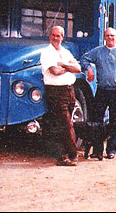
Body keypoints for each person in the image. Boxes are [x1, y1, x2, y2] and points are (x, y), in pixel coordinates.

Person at [80, 27, 116, 160]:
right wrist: (89, 69)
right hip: (102, 90)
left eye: (112, 36)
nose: (110, 38)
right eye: (108, 36)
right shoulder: (98, 52)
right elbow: (83, 59)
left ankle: (111, 150)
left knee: (114, 122)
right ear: (104, 37)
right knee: (97, 122)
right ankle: (97, 151)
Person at [40, 26, 81, 166]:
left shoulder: (65, 52)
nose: (56, 38)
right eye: (53, 35)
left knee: (66, 124)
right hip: (55, 91)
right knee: (65, 123)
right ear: (49, 36)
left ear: (63, 37)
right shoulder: (46, 53)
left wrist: (63, 64)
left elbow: (78, 68)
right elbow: (54, 71)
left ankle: (65, 155)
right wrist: (68, 67)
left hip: (69, 91)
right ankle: (71, 155)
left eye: (58, 36)